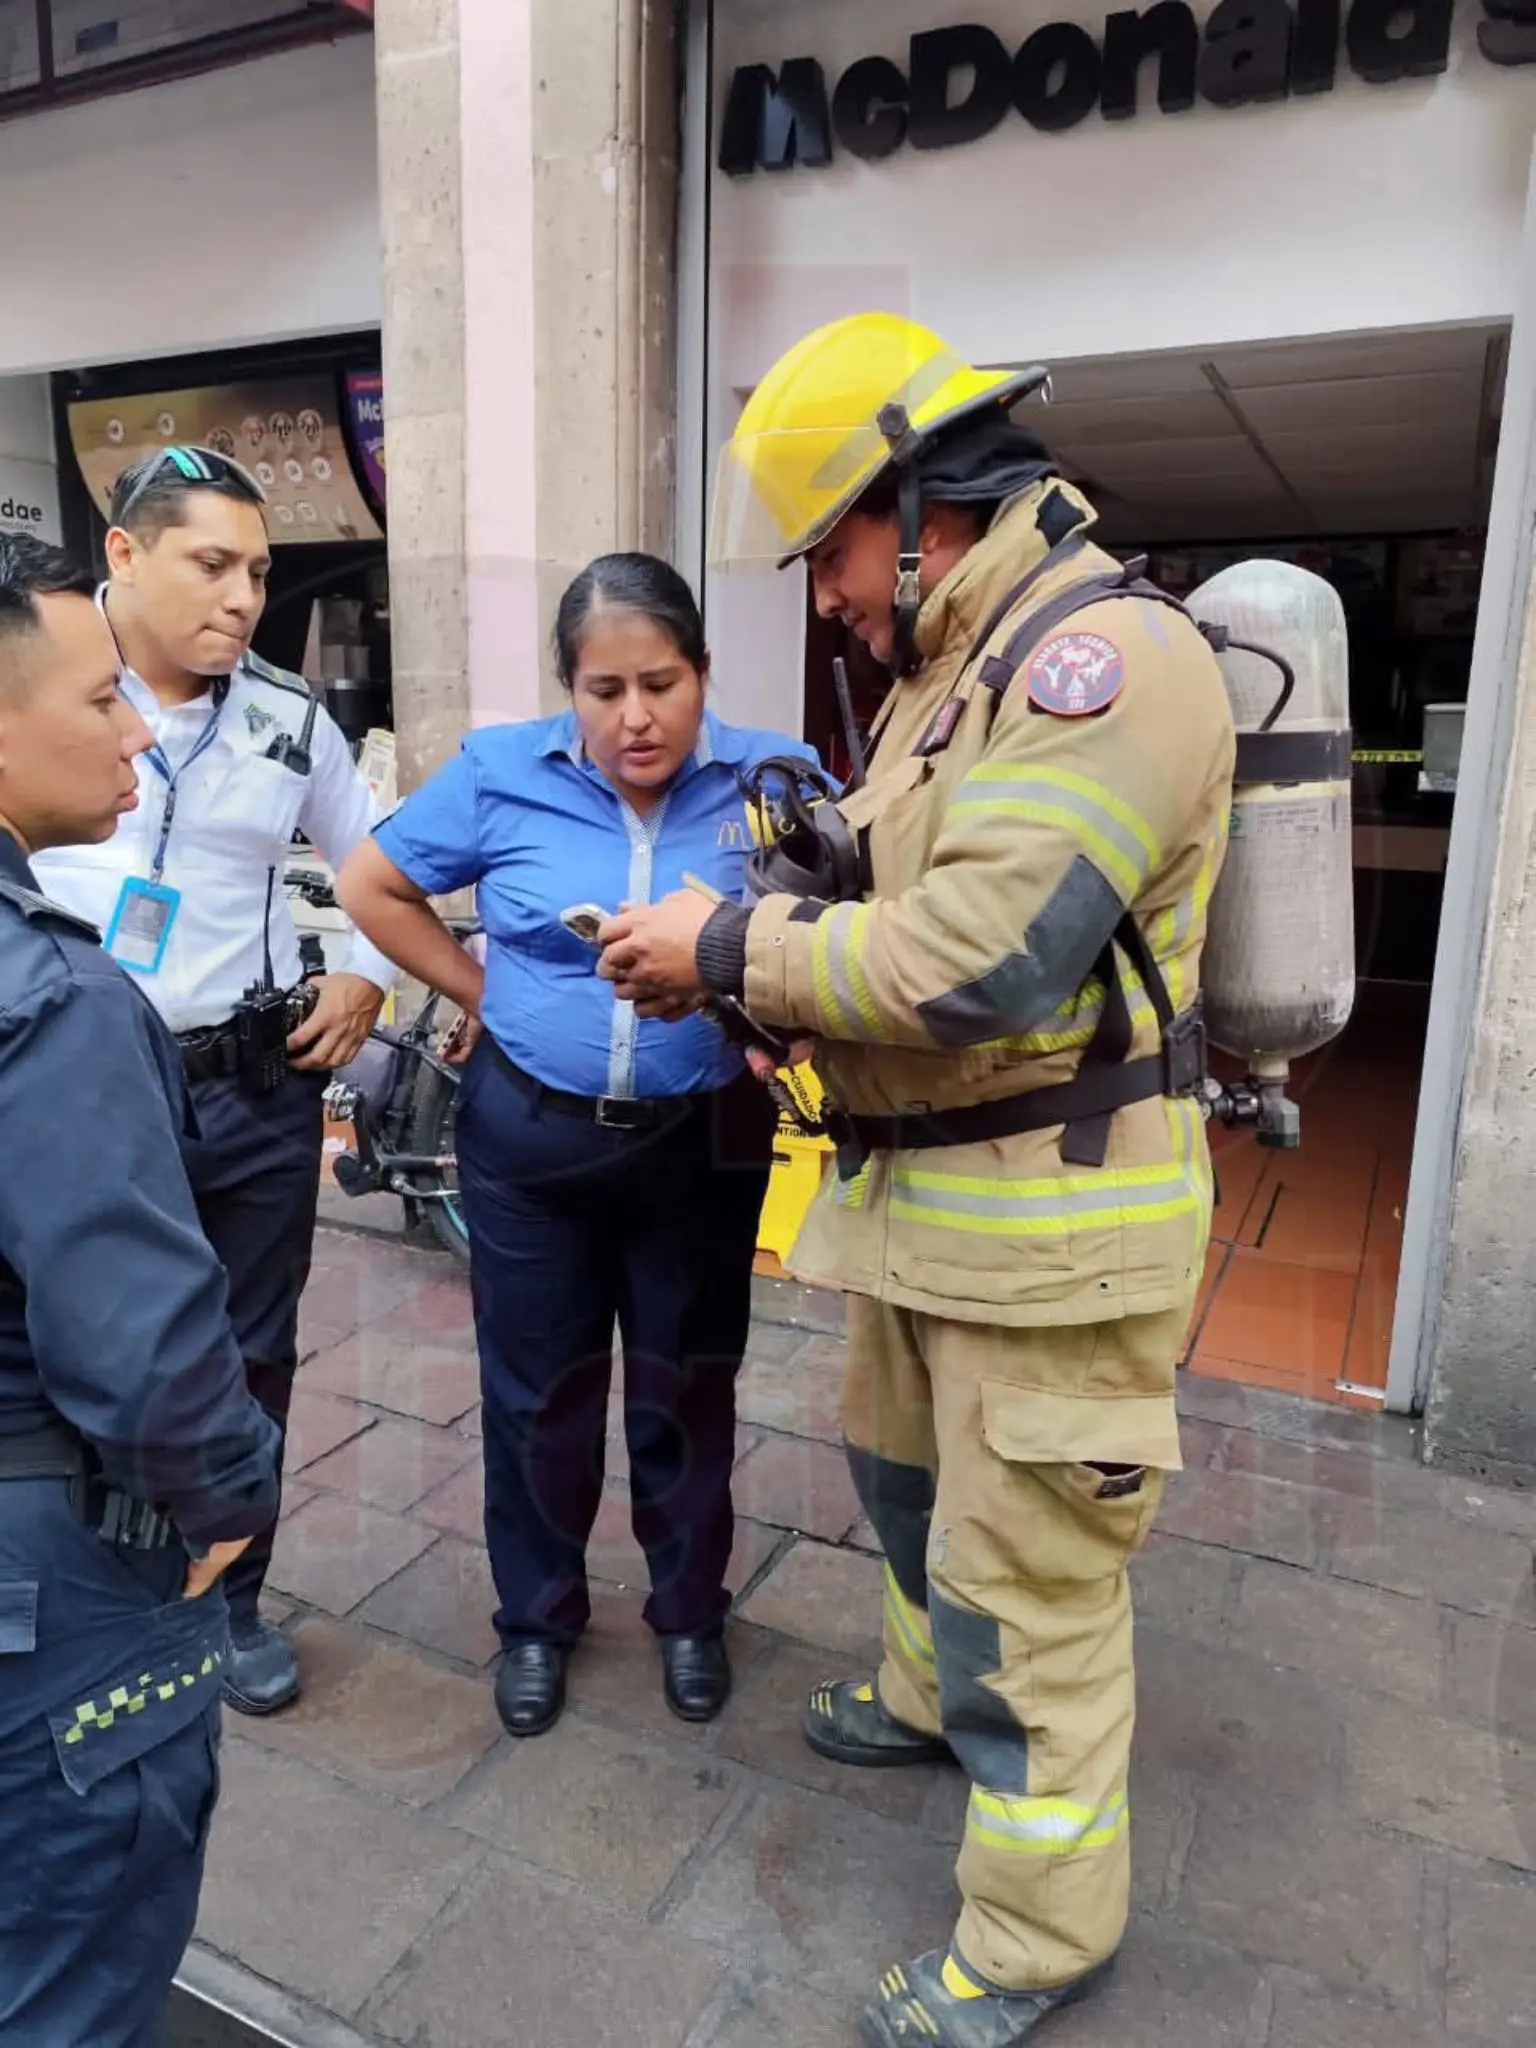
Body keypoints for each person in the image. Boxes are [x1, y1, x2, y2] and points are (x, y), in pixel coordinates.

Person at [596, 314, 1236, 2048]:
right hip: (924, 1216)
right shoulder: (951, 680)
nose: (823, 595)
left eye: (832, 549)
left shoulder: (1106, 660)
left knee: (1024, 1588)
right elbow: (879, 868)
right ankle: (915, 1695)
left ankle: (1034, 1936)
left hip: (1056, 1237)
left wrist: (734, 938)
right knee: (902, 1499)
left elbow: (988, 957)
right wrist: (775, 903)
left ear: (925, 507)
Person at [335, 553, 819, 1737]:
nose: (635, 716)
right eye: (604, 689)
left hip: (700, 1140)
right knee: (537, 1392)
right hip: (532, 1144)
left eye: (661, 682)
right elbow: (371, 882)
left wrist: (751, 999)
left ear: (705, 674)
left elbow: (838, 931)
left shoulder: (777, 780)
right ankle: (538, 1618)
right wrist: (481, 992)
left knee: (688, 1383)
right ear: (569, 689)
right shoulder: (503, 774)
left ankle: (691, 1609)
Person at [32, 445, 395, 1718]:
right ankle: (88, 1582)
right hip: (85, 1097)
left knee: (251, 1353)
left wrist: (362, 972)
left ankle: (232, 1597)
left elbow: (380, 869)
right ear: (124, 555)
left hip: (246, 1091)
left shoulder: (288, 721)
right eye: (212, 563)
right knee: (78, 1342)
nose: (244, 596)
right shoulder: (44, 699)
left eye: (260, 570)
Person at [0, 535, 281, 2046]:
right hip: (51, 1586)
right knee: (69, 1980)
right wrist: (233, 1500)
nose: (134, 730)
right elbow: (150, 1361)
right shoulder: (52, 1004)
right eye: (104, 697)